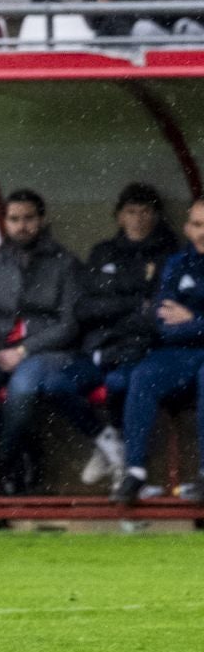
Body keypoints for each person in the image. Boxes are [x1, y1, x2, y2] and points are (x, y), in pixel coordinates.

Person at [40, 182, 176, 488]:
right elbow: (84, 308)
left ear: (156, 216)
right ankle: (108, 443)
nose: (138, 219)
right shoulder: (103, 252)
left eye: (145, 212)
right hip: (97, 349)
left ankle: (126, 467)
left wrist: (114, 306)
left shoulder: (167, 255)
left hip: (137, 352)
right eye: (131, 212)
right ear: (119, 216)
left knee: (119, 382)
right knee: (55, 384)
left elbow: (155, 316)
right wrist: (131, 303)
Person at [0, 190, 83, 495]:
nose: (22, 226)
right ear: (5, 221)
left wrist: (24, 350)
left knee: (22, 390)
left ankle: (8, 465)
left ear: (42, 219)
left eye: (28, 218)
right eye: (14, 219)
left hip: (44, 351)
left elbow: (69, 325)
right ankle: (27, 447)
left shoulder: (65, 263)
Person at [111, 196, 204, 505]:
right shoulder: (177, 263)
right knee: (143, 375)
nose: (201, 231)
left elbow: (180, 322)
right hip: (178, 353)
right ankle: (135, 471)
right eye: (196, 224)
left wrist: (192, 318)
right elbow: (163, 322)